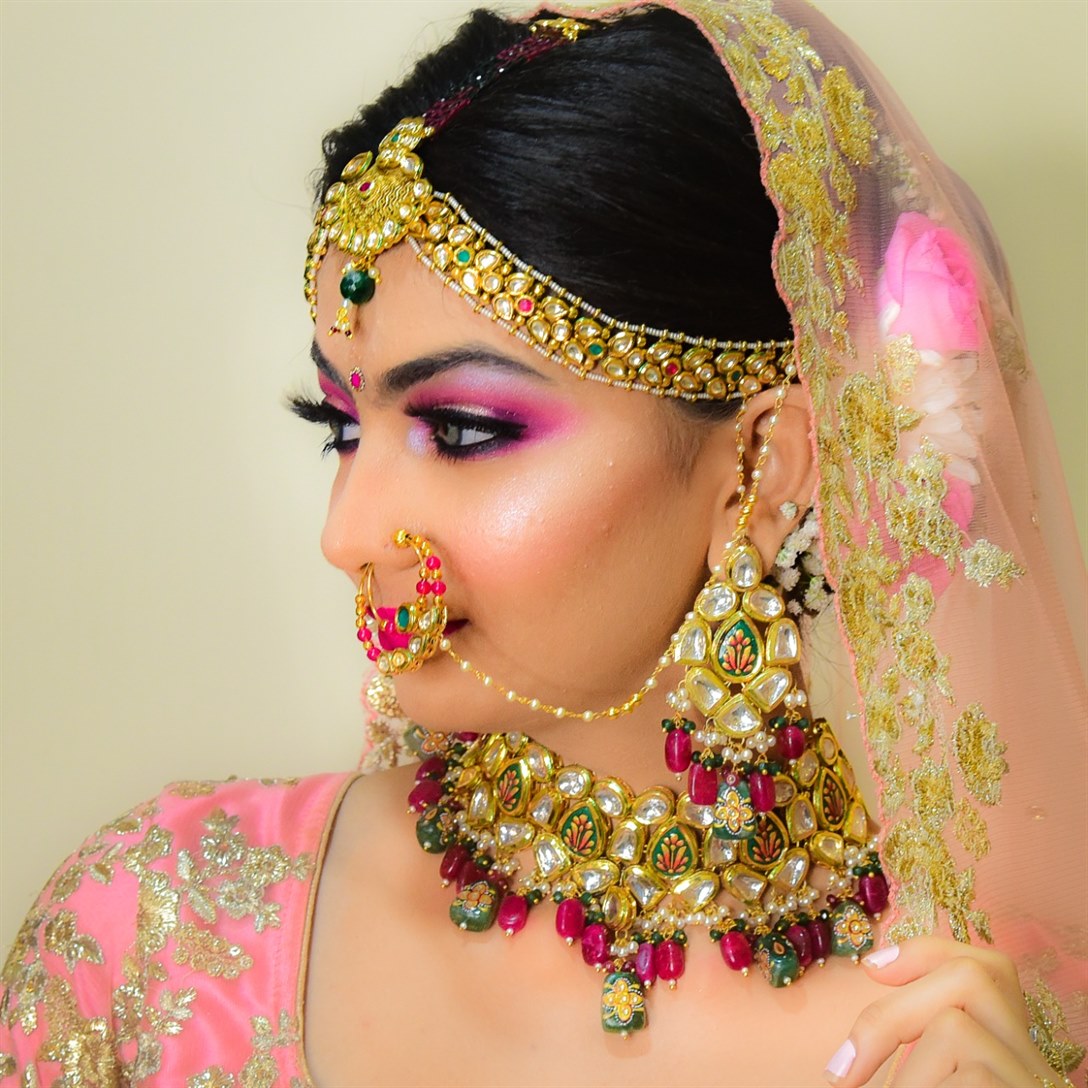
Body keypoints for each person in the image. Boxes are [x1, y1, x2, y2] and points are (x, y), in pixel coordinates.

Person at [2, 1, 1085, 1085]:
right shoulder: (160, 931)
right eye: (341, 427)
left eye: (463, 431)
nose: (346, 534)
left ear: (765, 466)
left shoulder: (984, 1033)